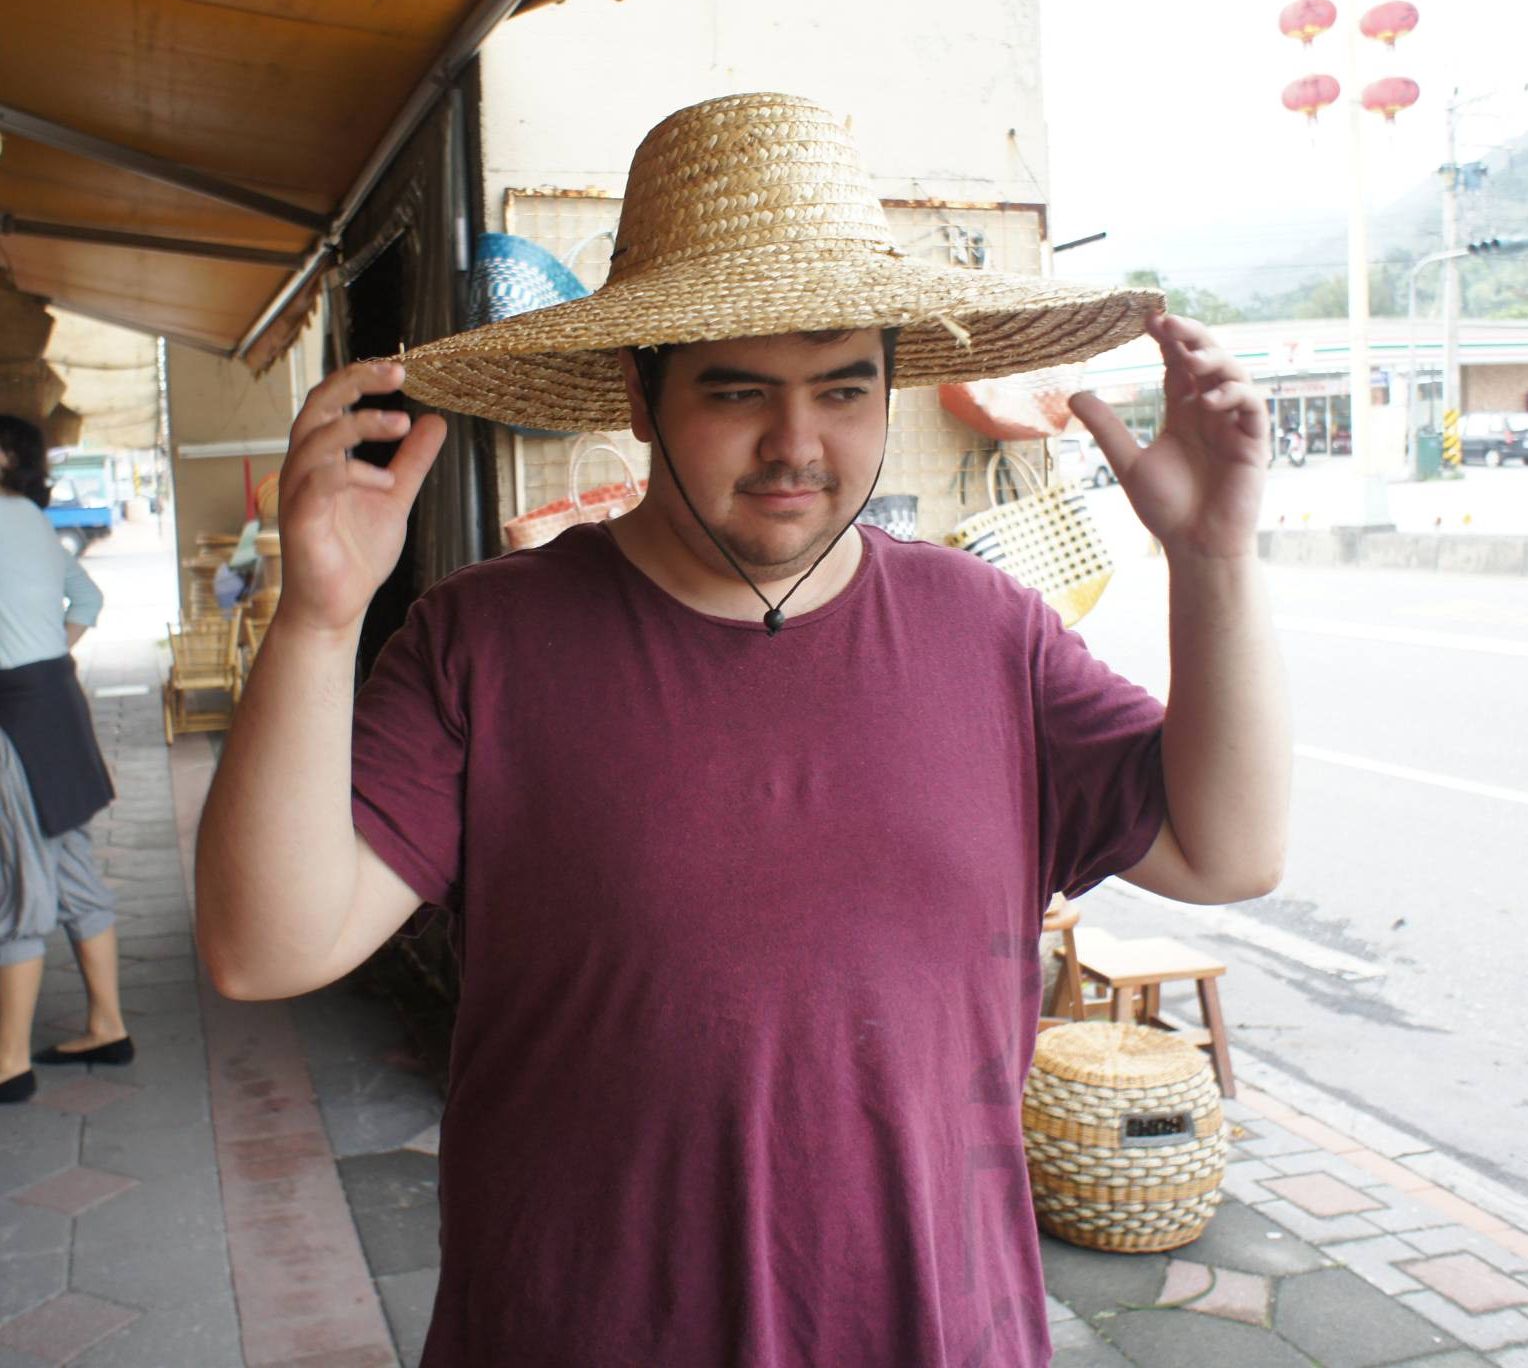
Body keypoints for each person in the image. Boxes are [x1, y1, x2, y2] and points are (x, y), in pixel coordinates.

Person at [196, 92, 1290, 1366]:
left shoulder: (989, 631)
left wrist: (1214, 561)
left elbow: (1227, 854)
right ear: (638, 392)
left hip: (935, 1333)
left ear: (892, 382)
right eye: (735, 392)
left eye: (842, 387)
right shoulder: (483, 640)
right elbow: (261, 949)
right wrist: (319, 621)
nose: (796, 444)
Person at [0, 415, 131, 1105]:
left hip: (13, 719)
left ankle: (8, 1064)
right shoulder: (28, 517)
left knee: (20, 882)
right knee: (70, 864)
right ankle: (107, 1025)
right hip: (54, 701)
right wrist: (54, 649)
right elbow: (89, 597)